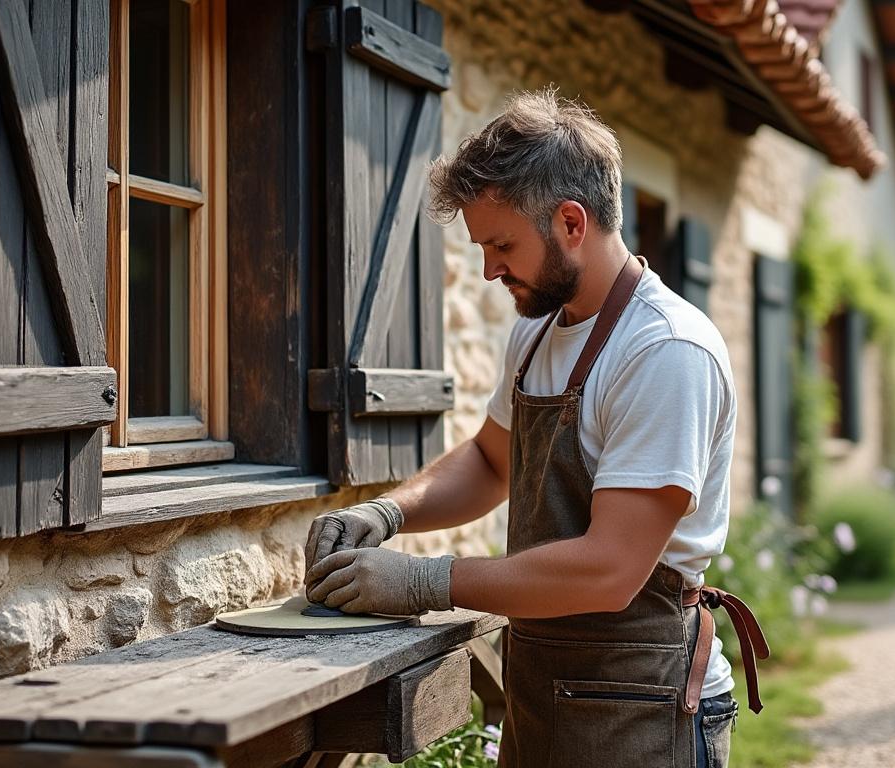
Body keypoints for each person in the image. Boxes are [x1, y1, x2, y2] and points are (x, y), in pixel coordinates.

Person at [302, 88, 766, 768]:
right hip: (540, 690)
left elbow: (610, 570)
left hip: (644, 704)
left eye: (502, 244)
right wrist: (387, 511)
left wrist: (424, 583)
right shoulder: (537, 335)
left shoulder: (665, 351)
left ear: (572, 223)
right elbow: (491, 463)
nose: (489, 269)